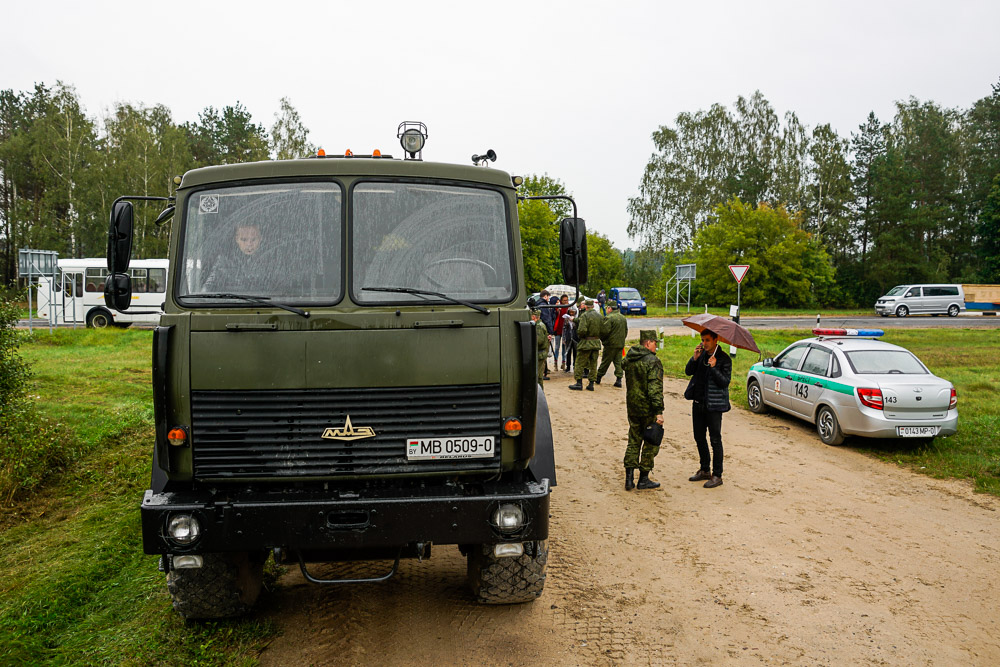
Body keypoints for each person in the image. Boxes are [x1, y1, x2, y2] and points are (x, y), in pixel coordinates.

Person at [684, 329, 732, 489]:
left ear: (715, 340)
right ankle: (705, 469)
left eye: (707, 340)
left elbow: (725, 382)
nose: (704, 343)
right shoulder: (702, 354)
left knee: (715, 440)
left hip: (714, 405)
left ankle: (717, 475)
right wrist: (694, 358)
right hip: (698, 402)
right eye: (702, 340)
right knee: (699, 437)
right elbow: (688, 372)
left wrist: (714, 368)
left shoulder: (724, 359)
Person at [623, 330, 664, 490]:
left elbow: (622, 365)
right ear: (648, 343)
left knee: (633, 439)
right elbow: (654, 388)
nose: (656, 346)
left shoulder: (630, 359)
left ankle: (628, 478)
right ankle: (643, 478)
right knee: (650, 442)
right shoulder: (653, 361)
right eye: (654, 343)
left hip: (632, 406)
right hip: (648, 408)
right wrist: (659, 411)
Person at [569, 299, 602, 391]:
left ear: (586, 306)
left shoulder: (584, 316)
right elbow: (603, 330)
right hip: (596, 342)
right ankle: (591, 384)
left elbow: (582, 330)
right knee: (593, 364)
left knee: (579, 362)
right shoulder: (599, 316)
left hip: (586, 342)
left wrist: (580, 335)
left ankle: (579, 383)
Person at [595, 299, 627, 388]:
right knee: (618, 362)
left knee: (605, 361)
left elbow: (604, 331)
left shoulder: (609, 318)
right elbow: (626, 331)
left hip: (610, 344)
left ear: (610, 308)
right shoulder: (623, 318)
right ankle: (619, 380)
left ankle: (598, 377)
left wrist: (604, 341)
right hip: (620, 344)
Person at [531, 309, 551, 383]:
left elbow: (539, 341)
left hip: (539, 353)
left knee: (538, 376)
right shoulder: (540, 324)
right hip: (541, 353)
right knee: (539, 376)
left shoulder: (538, 326)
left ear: (534, 317)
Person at [552, 294, 569, 366]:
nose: (566, 302)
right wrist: (557, 310)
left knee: (564, 347)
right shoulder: (558, 307)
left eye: (567, 300)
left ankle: (563, 362)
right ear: (561, 301)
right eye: (564, 300)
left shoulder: (569, 307)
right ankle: (555, 362)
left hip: (565, 330)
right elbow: (554, 316)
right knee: (557, 347)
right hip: (558, 329)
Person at [561, 306, 577, 372]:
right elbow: (564, 329)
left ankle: (575, 366)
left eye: (573, 312)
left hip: (575, 338)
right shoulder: (566, 319)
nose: (572, 313)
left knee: (575, 353)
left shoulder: (577, 319)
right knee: (568, 352)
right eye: (570, 312)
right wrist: (564, 338)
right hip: (568, 338)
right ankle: (568, 367)